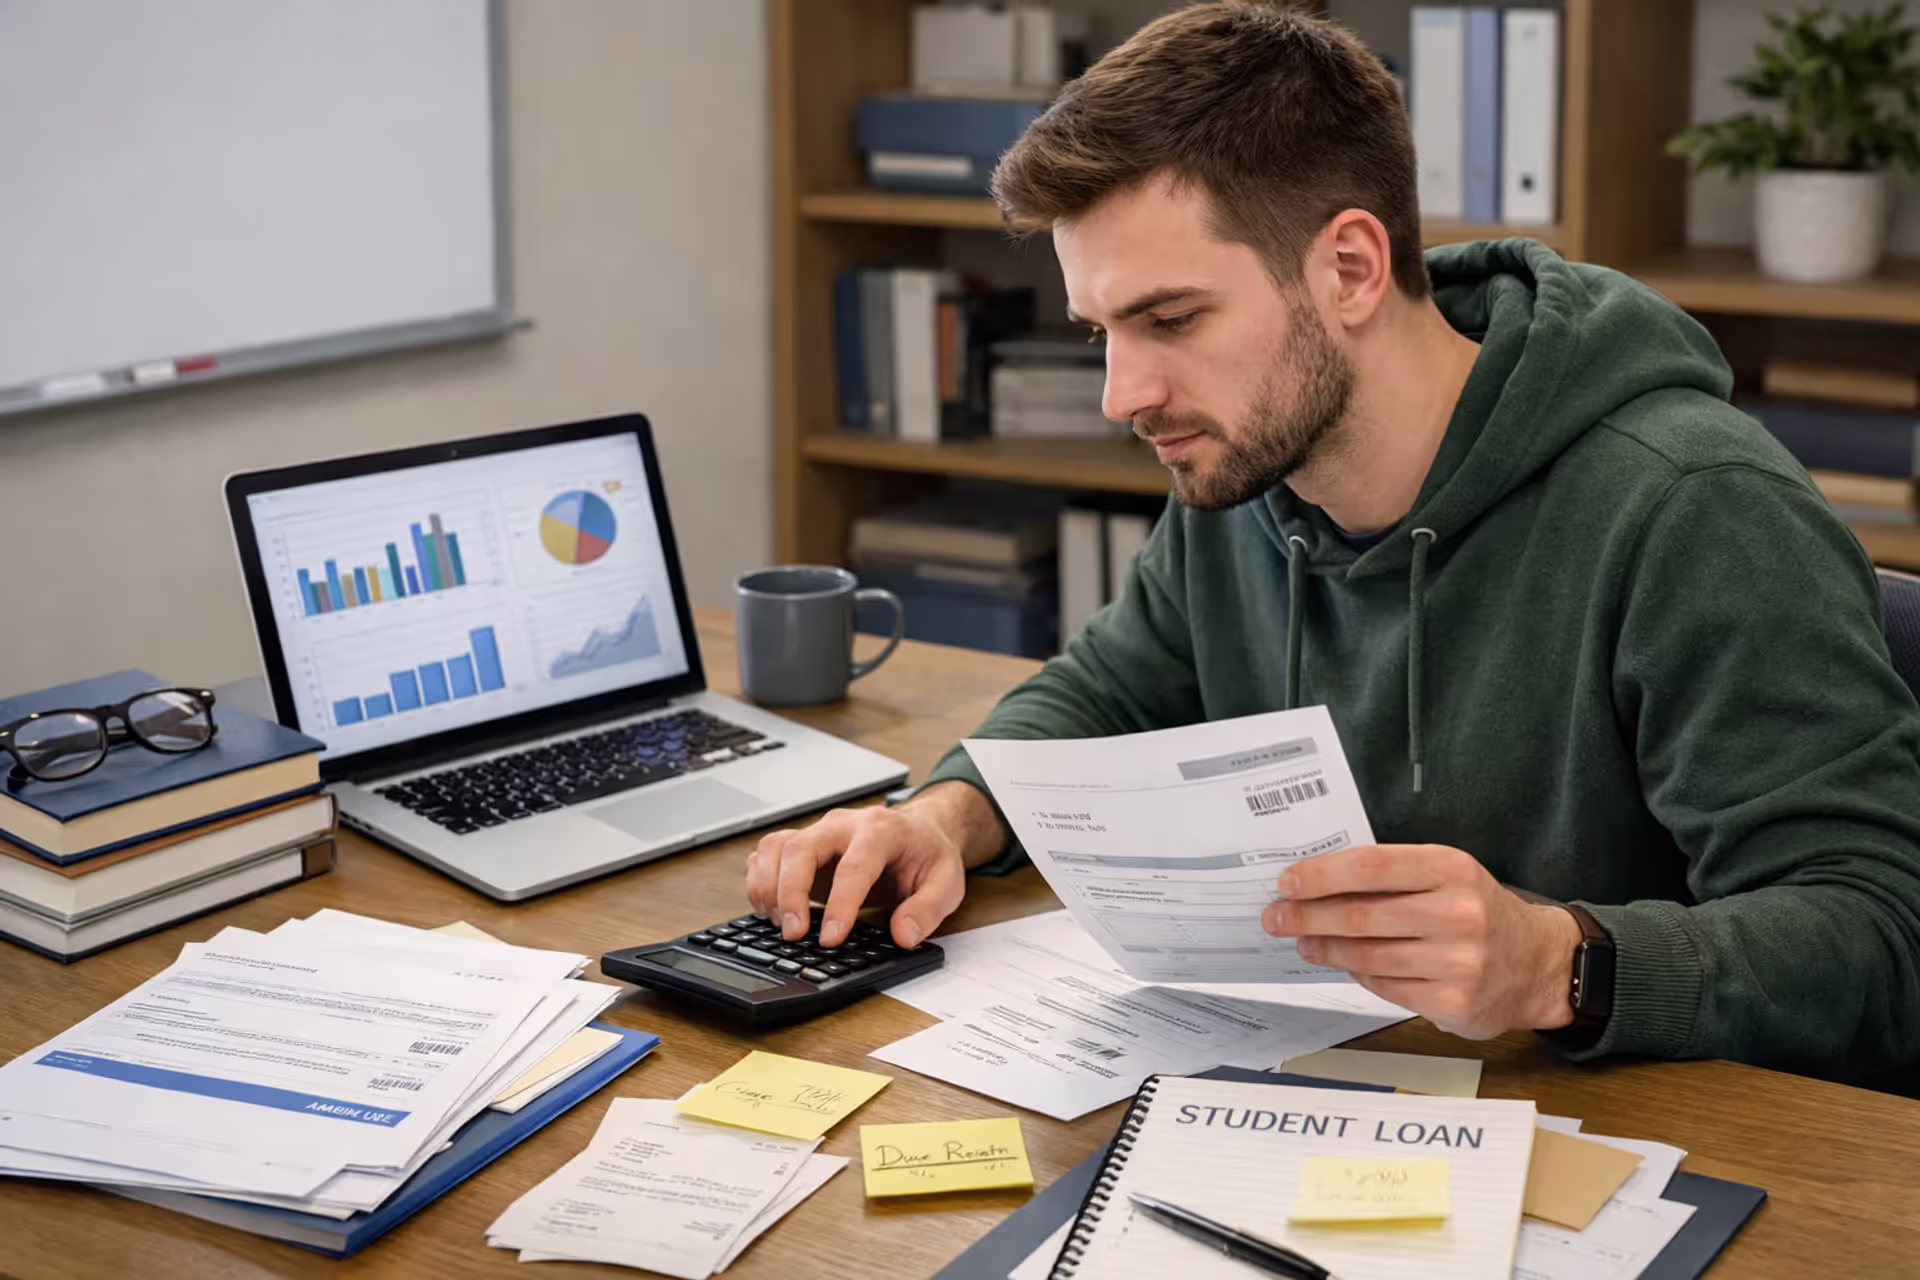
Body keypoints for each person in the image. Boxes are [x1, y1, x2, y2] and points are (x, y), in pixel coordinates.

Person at [746, 2, 1920, 1089]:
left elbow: (1877, 940)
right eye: (1100, 330)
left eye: (1169, 319)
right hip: (1334, 1099)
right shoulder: (1243, 463)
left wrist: (1557, 961)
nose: (1121, 393)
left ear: (1350, 267)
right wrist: (942, 817)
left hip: (1640, 1142)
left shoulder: (1695, 508)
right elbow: (1114, 686)